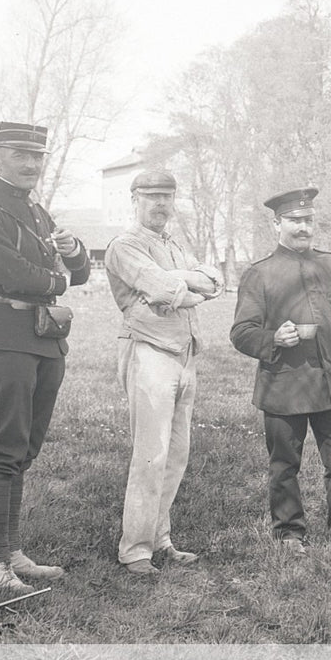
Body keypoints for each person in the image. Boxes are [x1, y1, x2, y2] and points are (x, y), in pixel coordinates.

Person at [0, 121, 89, 598]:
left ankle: (13, 552)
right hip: (6, 338)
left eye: (37, 157)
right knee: (2, 452)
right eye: (19, 155)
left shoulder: (38, 212)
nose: (30, 164)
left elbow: (77, 273)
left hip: (45, 340)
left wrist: (74, 253)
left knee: (25, 450)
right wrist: (58, 280)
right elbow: (11, 273)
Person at [230, 187, 331, 557]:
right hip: (284, 387)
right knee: (285, 465)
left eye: (307, 220)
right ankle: (289, 534)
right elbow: (241, 333)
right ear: (277, 225)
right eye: (294, 221)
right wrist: (274, 338)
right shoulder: (259, 275)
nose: (303, 227)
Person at [104, 168, 223, 578]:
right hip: (148, 352)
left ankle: (160, 538)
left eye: (167, 197)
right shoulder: (124, 244)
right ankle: (135, 549)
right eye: (150, 196)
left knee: (176, 453)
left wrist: (187, 284)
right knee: (150, 454)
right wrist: (189, 286)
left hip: (184, 353)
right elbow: (161, 289)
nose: (159, 204)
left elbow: (215, 281)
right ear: (133, 199)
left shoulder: (172, 244)